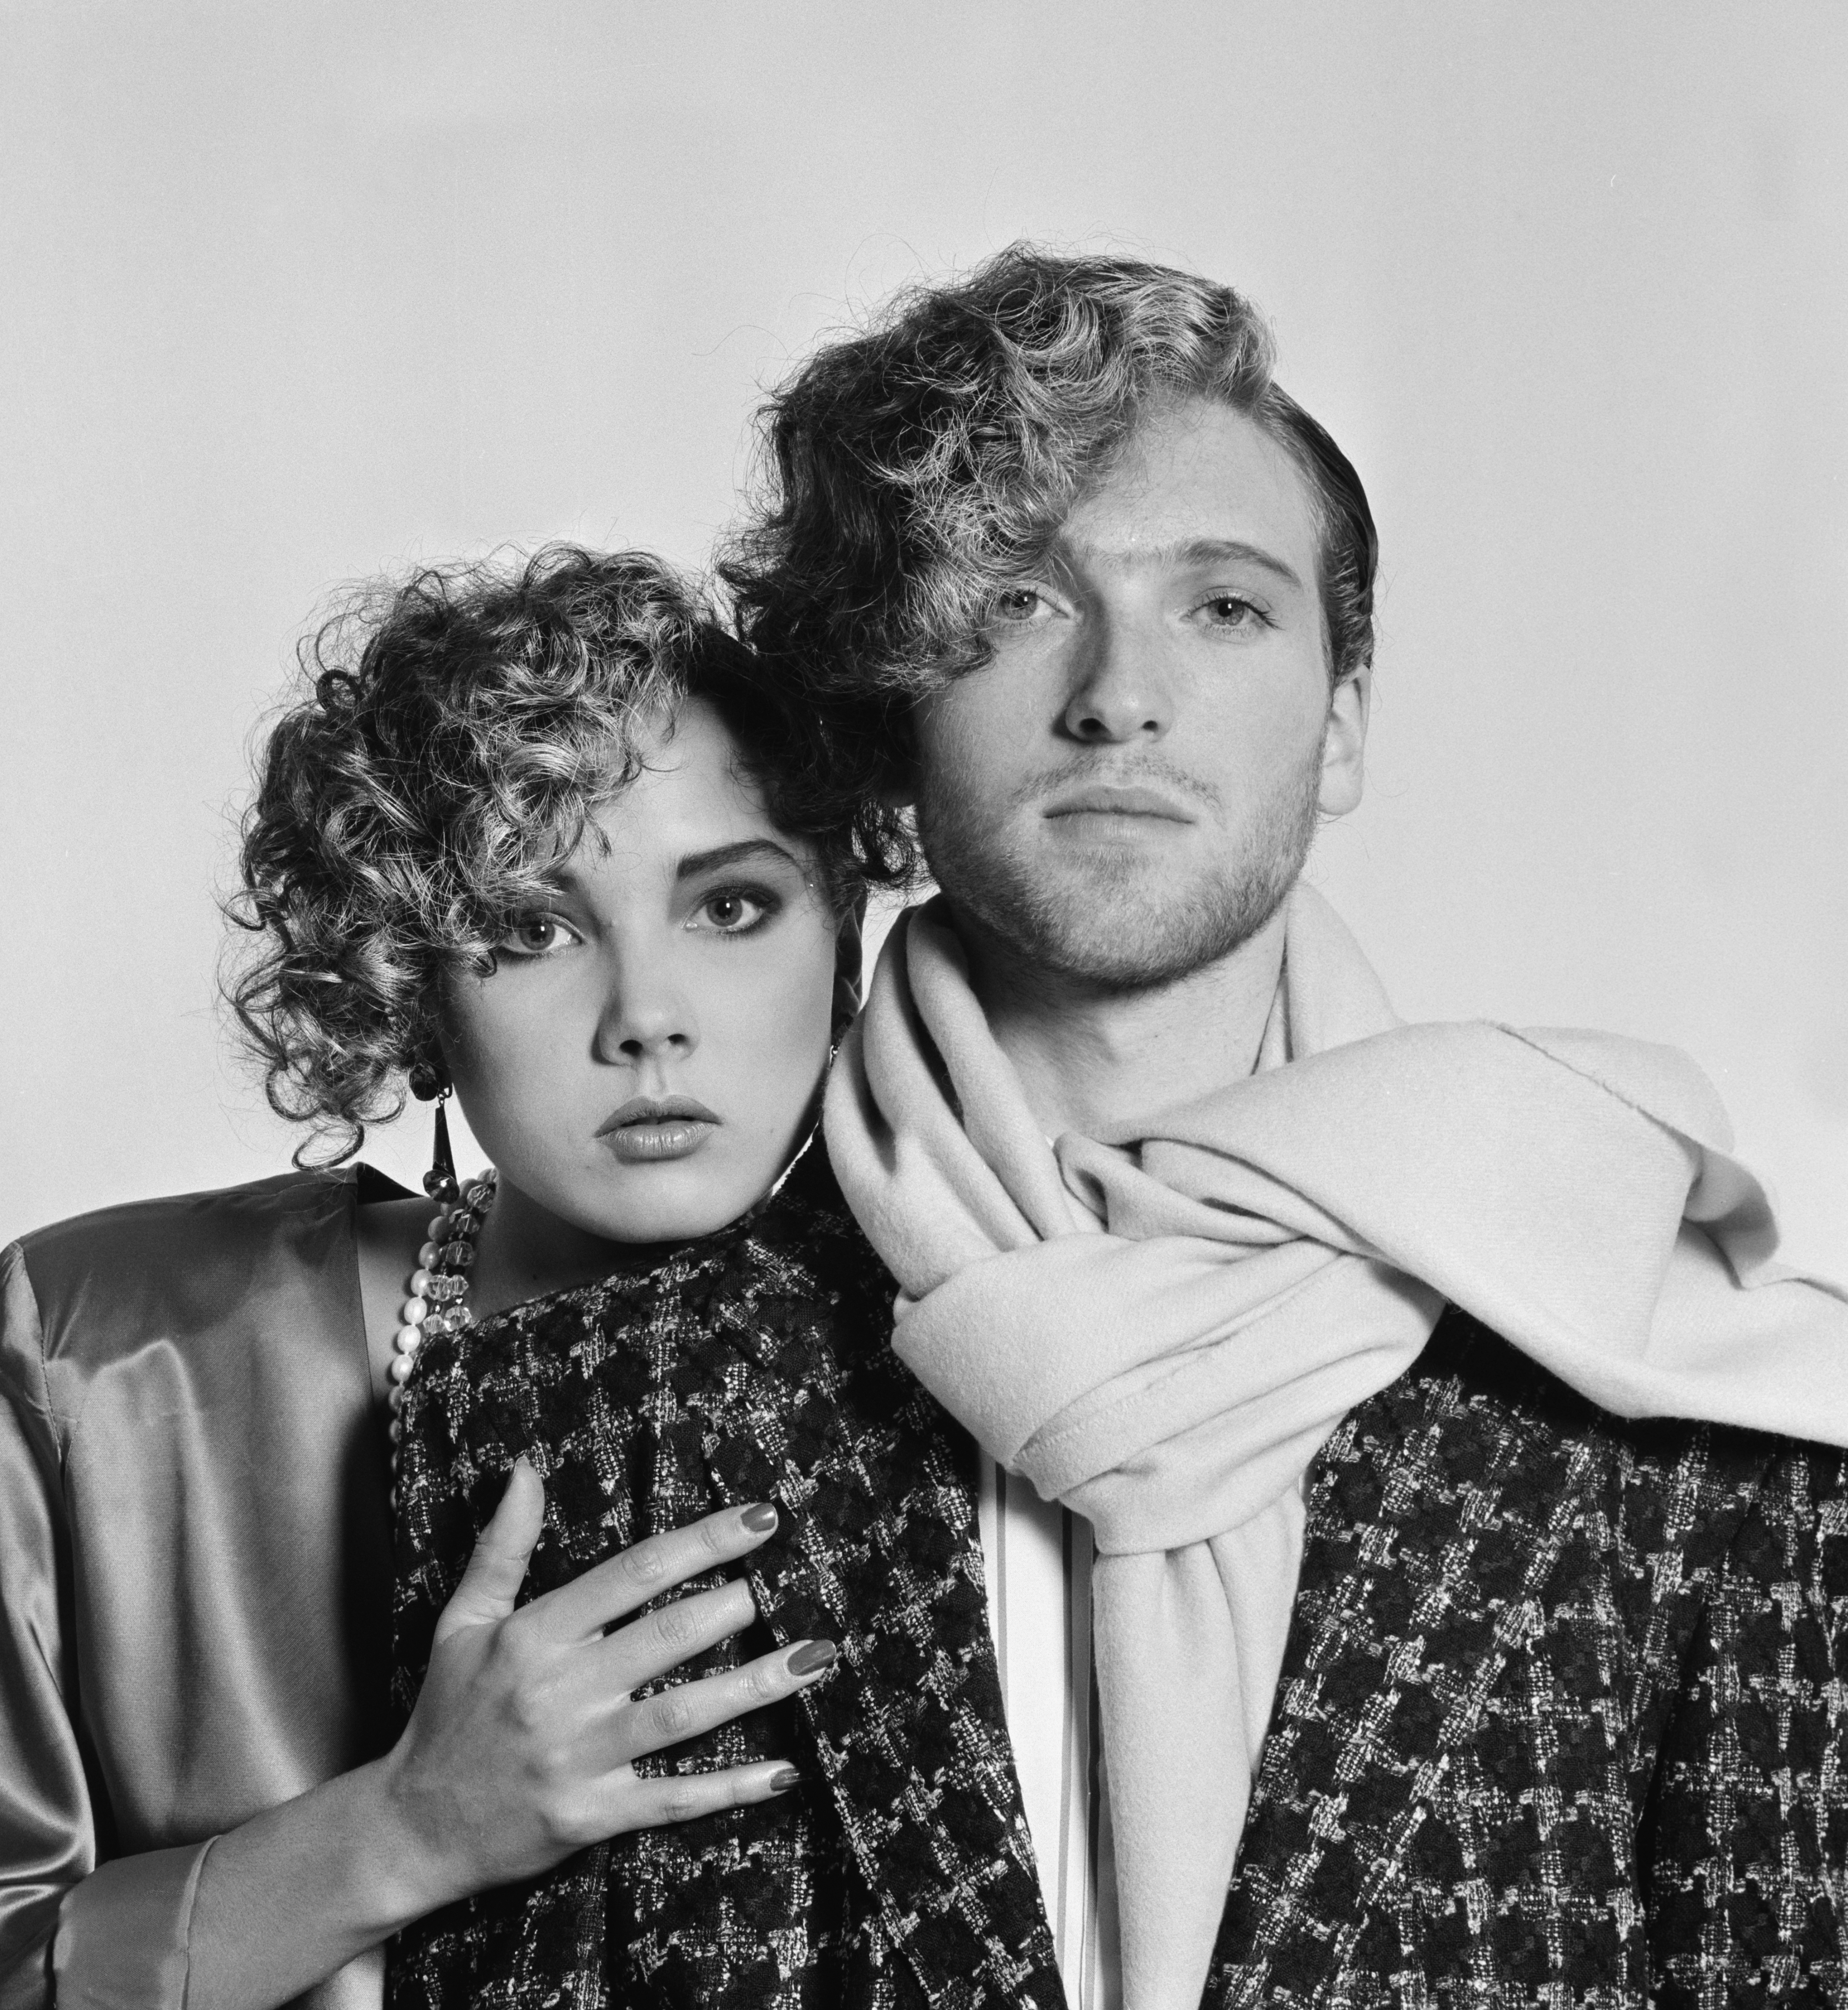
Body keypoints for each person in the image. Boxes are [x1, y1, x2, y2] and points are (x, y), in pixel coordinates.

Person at [723, 247, 1848, 2008]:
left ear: (1340, 728)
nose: (1117, 694)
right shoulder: (605, 1404)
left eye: (1224, 608)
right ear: (889, 704)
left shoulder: (1713, 1447)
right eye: (1016, 599)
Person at [0, 547, 880, 2010]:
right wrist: (400, 1834)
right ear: (413, 982)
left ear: (842, 943)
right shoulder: (106, 1356)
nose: (647, 1017)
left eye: (731, 907)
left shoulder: (959, 1364)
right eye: (529, 927)